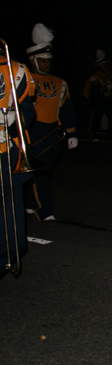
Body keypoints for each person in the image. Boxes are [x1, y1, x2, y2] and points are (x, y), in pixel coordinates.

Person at [23, 24, 79, 222]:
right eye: (43, 61)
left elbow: (66, 108)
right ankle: (44, 209)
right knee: (40, 174)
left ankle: (30, 202)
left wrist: (71, 133)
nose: (47, 64)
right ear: (33, 60)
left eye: (49, 61)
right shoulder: (24, 79)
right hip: (32, 131)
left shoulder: (60, 82)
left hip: (53, 133)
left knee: (45, 171)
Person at [1, 41, 36, 276]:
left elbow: (28, 111)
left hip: (5, 152)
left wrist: (13, 119)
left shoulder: (16, 70)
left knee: (14, 238)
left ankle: (7, 256)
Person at [82, 50, 112, 142]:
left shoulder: (108, 75)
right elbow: (94, 91)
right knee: (96, 118)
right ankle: (93, 135)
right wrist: (105, 88)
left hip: (108, 100)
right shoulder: (94, 77)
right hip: (98, 101)